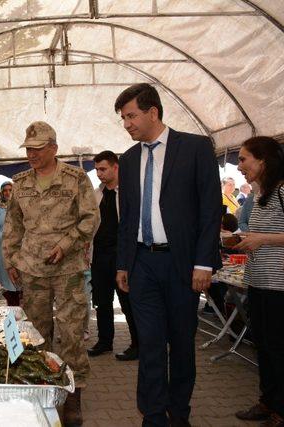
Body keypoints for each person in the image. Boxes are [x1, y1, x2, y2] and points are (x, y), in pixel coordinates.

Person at [114, 83, 222, 427]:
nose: (127, 124)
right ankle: (154, 414)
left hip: (182, 264)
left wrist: (203, 262)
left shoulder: (195, 148)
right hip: (142, 263)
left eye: (131, 115)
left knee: (181, 342)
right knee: (149, 343)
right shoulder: (128, 160)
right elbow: (128, 215)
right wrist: (123, 263)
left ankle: (180, 412)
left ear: (153, 112)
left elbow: (210, 209)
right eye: (123, 118)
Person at [3, 121, 99, 425]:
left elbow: (90, 219)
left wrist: (67, 244)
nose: (31, 154)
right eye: (28, 149)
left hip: (68, 269)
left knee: (71, 333)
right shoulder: (20, 183)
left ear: (54, 148)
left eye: (38, 149)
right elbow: (13, 226)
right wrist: (10, 260)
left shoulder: (76, 178)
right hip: (32, 270)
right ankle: (42, 391)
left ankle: (73, 396)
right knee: (36, 333)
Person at [234, 136, 284, 427]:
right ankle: (268, 401)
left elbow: (267, 237)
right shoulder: (259, 194)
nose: (239, 166)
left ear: (262, 160)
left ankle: (281, 409)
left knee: (277, 347)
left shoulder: (281, 191)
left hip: (279, 286)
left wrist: (261, 238)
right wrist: (242, 240)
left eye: (243, 159)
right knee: (263, 345)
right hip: (258, 282)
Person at [87, 150, 138, 362]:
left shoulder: (128, 191)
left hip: (122, 255)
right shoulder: (97, 194)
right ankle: (105, 341)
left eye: (103, 169)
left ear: (115, 167)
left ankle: (138, 344)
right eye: (97, 169)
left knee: (128, 302)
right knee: (102, 301)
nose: (99, 173)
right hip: (99, 256)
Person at [0, 181, 18, 305]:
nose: (7, 192)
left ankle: (16, 309)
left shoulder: (18, 206)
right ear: (1, 193)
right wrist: (5, 240)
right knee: (4, 279)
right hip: (0, 248)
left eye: (10, 190)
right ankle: (4, 307)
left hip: (16, 248)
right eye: (5, 190)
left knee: (16, 278)